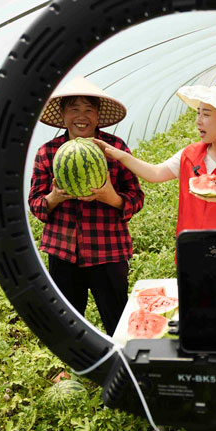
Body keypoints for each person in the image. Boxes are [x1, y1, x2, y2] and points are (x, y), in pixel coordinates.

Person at [95, 84, 216, 277]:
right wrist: (119, 155)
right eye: (198, 113)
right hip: (192, 259)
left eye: (206, 114)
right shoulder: (190, 154)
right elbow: (155, 173)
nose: (198, 121)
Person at [28, 77, 144, 335]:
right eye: (74, 109)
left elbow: (136, 197)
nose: (81, 117)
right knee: (67, 321)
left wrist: (111, 197)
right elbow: (35, 204)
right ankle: (72, 371)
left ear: (98, 114)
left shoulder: (115, 148)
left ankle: (123, 370)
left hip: (109, 250)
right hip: (63, 252)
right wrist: (55, 197)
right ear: (62, 114)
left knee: (117, 319)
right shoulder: (48, 153)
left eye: (88, 109)